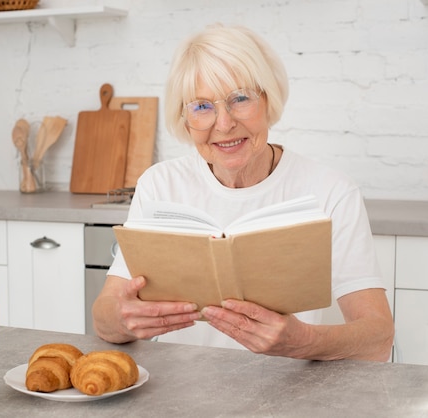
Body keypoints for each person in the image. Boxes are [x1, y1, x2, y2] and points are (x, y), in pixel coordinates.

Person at [92, 24, 394, 361]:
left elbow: (378, 337)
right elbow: (104, 316)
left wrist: (305, 341)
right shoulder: (160, 184)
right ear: (185, 118)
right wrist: (122, 320)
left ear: (268, 100)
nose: (223, 124)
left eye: (240, 98)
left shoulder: (332, 191)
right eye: (202, 107)